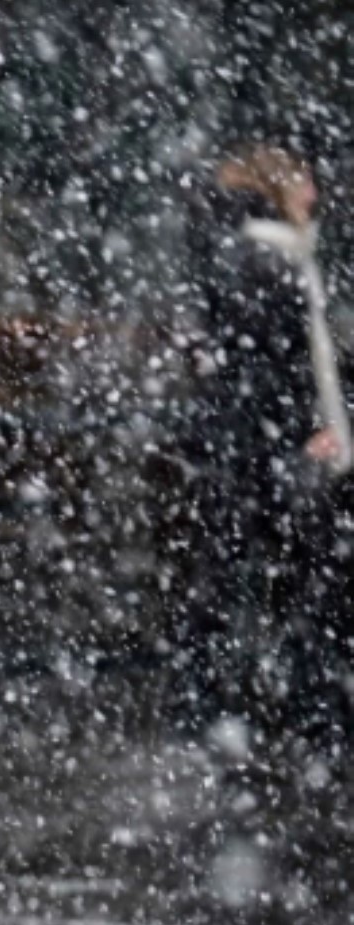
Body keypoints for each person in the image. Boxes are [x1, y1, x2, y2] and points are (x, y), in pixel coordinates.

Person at [174, 145, 353, 760]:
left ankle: (242, 706)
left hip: (251, 448)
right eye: (303, 180)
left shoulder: (269, 257)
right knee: (295, 579)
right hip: (264, 449)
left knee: (246, 578)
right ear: (280, 189)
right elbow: (272, 364)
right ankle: (298, 710)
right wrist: (305, 429)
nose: (314, 193)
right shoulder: (269, 261)